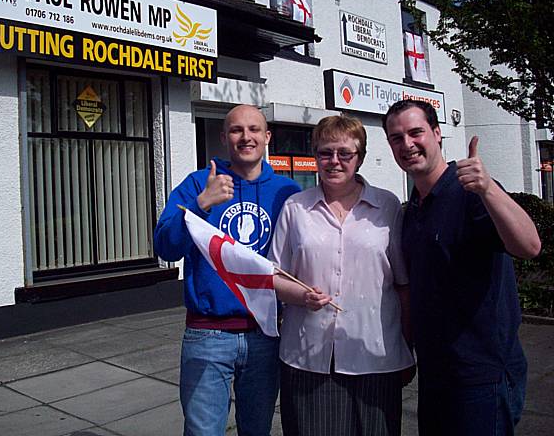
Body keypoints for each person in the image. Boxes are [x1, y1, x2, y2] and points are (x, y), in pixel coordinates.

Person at [382, 99, 541, 436]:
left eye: (415, 133)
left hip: (481, 376)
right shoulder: (412, 212)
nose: (407, 144)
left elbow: (529, 246)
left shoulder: (471, 191)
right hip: (436, 374)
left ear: (437, 134)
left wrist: (488, 189)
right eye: (397, 138)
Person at [153, 104, 300, 436]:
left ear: (267, 137)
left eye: (253, 130)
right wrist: (201, 204)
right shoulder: (198, 183)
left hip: (265, 333)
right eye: (236, 130)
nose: (245, 137)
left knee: (256, 430)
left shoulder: (287, 192)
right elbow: (165, 246)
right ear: (224, 137)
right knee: (203, 431)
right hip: (208, 334)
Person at [269, 114, 415, 436]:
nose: (334, 161)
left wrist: (408, 348)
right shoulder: (296, 207)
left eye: (345, 153)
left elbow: (402, 285)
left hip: (376, 353)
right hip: (308, 356)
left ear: (359, 157)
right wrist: (301, 296)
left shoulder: (387, 206)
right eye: (325, 152)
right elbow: (274, 277)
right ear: (315, 156)